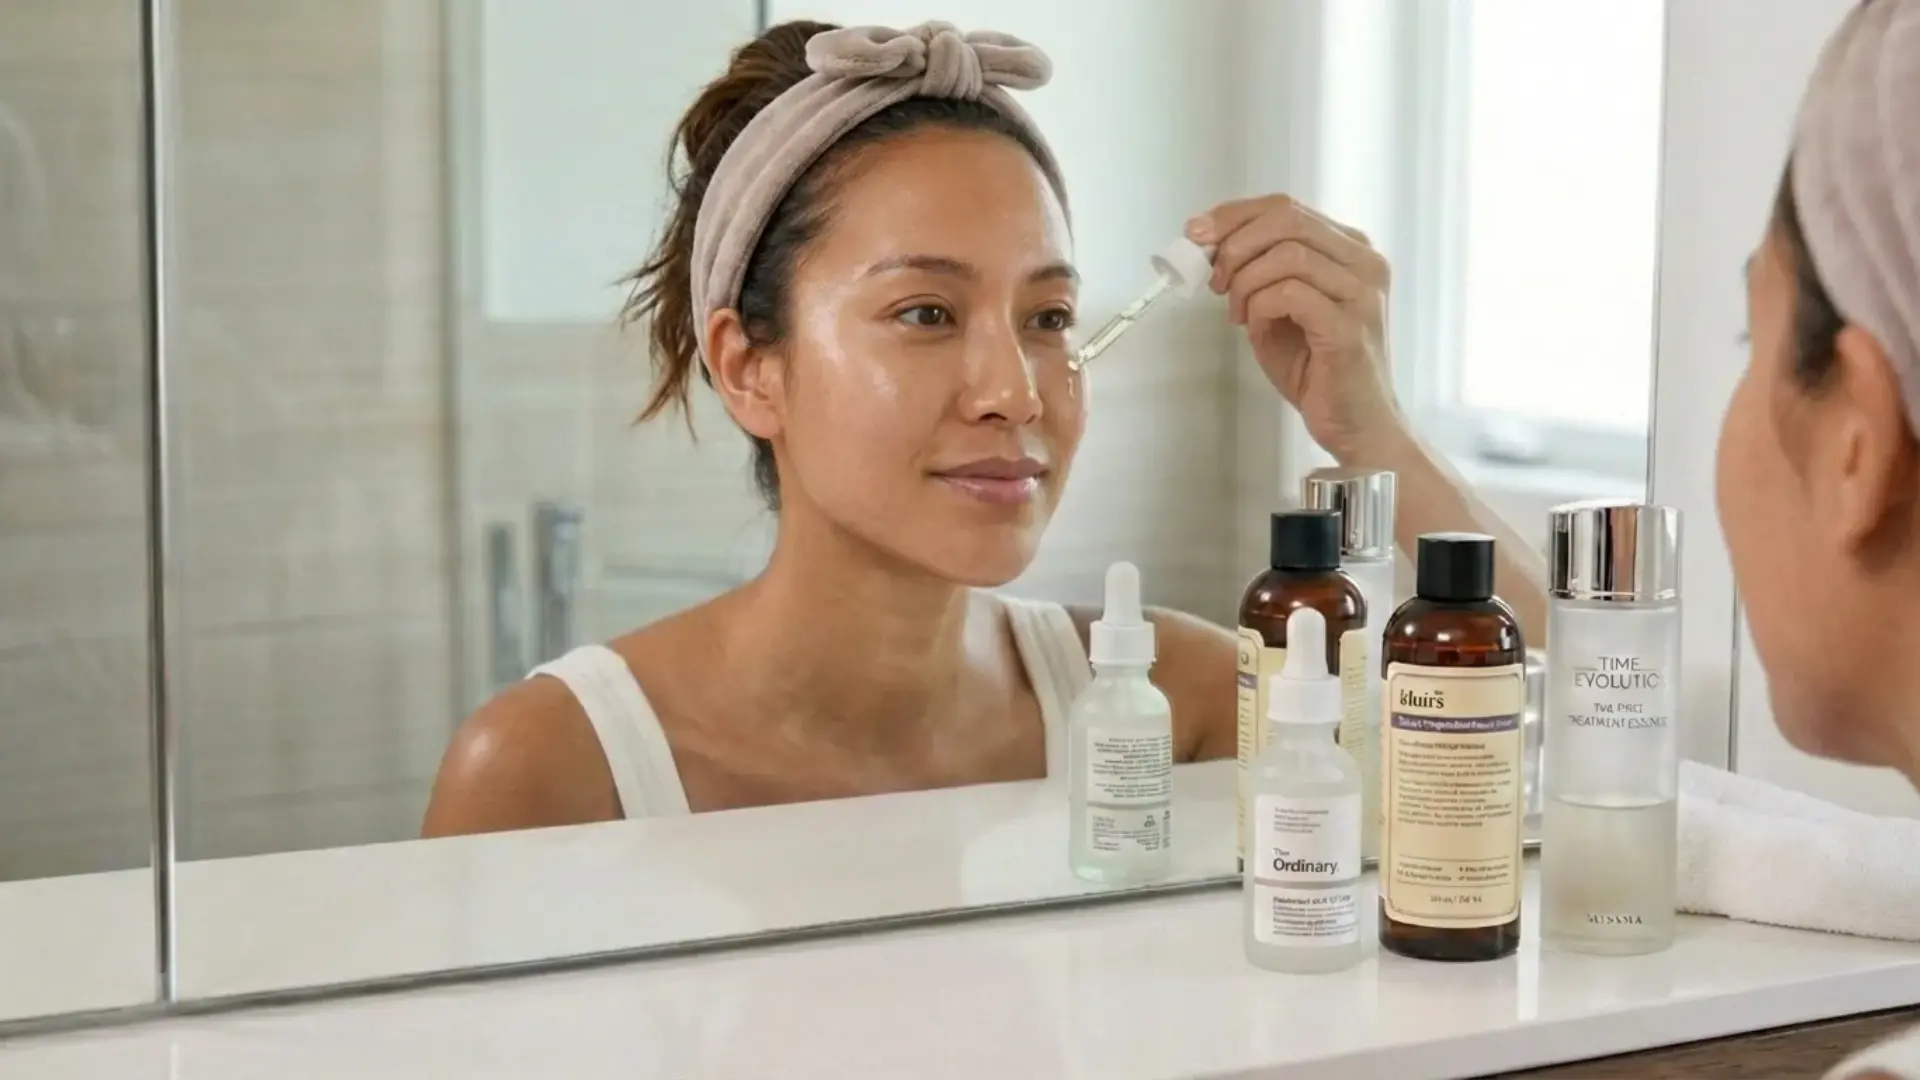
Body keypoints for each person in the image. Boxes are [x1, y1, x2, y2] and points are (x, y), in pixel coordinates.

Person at [420, 19, 1535, 836]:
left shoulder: (1175, 705)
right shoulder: (551, 769)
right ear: (749, 369)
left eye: (1049, 316)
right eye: (923, 313)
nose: (1016, 389)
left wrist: (1368, 426)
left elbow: (1557, 745)